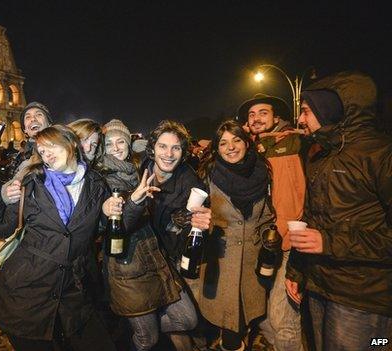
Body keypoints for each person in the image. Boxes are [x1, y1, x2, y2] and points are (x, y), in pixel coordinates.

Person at [0, 125, 156, 351]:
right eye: (41, 150)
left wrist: (133, 203)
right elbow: (1, 228)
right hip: (26, 293)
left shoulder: (96, 184)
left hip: (75, 293)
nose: (46, 154)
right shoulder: (32, 183)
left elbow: (115, 228)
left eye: (51, 146)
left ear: (70, 144)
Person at [286, 71, 392, 350]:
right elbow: (311, 219)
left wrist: (329, 242)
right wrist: (296, 270)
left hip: (362, 297)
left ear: (329, 109)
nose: (299, 119)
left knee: (373, 346)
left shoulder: (381, 155)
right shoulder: (321, 155)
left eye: (306, 111)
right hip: (320, 286)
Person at [100, 119, 210, 351]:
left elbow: (190, 231)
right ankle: (136, 330)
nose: (168, 154)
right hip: (127, 264)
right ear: (152, 148)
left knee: (186, 320)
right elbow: (118, 226)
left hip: (157, 259)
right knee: (146, 338)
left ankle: (132, 328)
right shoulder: (104, 179)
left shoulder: (183, 180)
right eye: (162, 146)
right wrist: (129, 203)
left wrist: (197, 225)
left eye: (176, 147)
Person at [196, 120, 275, 351]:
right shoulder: (208, 174)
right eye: (223, 143)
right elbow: (191, 212)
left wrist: (269, 237)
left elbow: (269, 214)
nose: (230, 147)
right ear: (217, 149)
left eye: (236, 140)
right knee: (229, 324)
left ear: (247, 143)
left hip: (253, 257)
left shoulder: (265, 171)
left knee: (249, 316)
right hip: (221, 260)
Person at [238, 94, 306, 351]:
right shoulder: (249, 149)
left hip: (288, 241)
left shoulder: (294, 142)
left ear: (276, 118)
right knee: (262, 314)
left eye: (263, 113)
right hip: (261, 244)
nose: (256, 118)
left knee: (283, 318)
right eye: (252, 115)